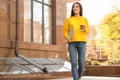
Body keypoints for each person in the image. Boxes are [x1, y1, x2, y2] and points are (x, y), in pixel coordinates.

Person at [63, 2, 89, 80]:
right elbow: (65, 30)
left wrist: (84, 29)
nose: (75, 8)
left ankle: (78, 77)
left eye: (77, 6)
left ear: (80, 8)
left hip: (82, 42)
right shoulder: (69, 19)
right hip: (72, 43)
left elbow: (87, 31)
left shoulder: (84, 19)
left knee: (81, 63)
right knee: (74, 63)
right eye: (73, 6)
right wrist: (67, 37)